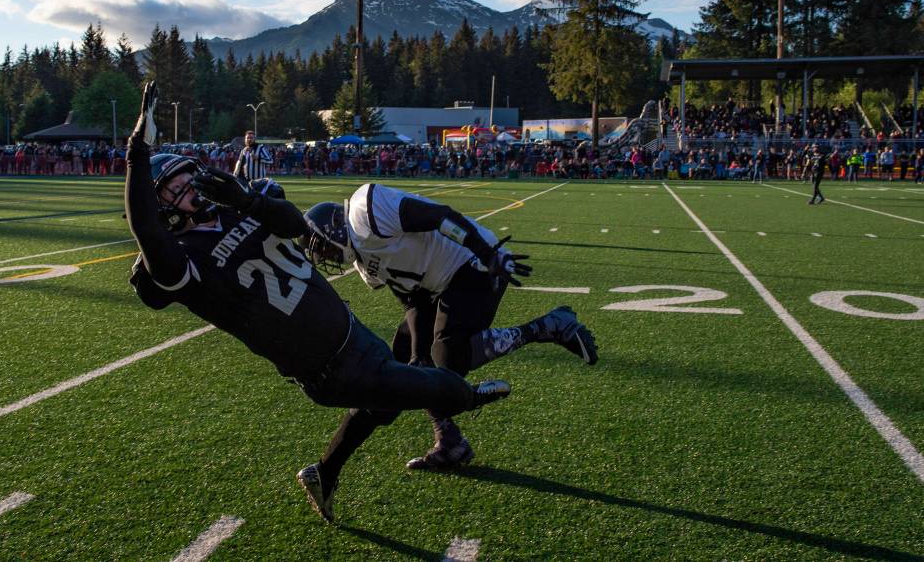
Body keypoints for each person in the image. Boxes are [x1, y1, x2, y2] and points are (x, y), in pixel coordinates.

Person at [123, 83, 512, 523]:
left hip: (349, 330)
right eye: (176, 186)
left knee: (382, 408)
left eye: (187, 177)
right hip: (326, 365)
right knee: (441, 388)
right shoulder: (180, 262)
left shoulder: (228, 209)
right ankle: (470, 395)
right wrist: (138, 151)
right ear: (161, 210)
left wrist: (247, 200)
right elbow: (148, 232)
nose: (191, 186)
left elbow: (293, 225)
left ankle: (323, 473)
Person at [302, 183, 597, 474]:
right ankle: (449, 441)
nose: (325, 256)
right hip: (439, 285)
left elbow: (439, 216)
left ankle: (547, 326)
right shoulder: (367, 267)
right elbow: (412, 300)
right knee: (405, 360)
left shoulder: (365, 211)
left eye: (322, 246)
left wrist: (485, 252)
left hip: (474, 262)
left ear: (334, 226)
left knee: (448, 357)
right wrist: (418, 353)